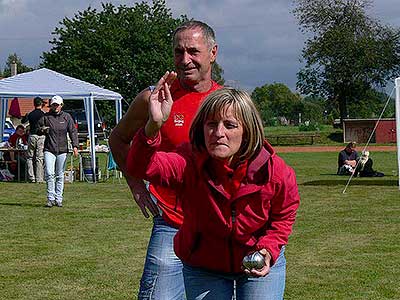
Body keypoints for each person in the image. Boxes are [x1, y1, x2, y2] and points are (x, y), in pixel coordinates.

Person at [126, 87, 300, 300]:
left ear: (248, 131)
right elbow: (140, 167)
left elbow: (284, 215)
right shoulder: (187, 161)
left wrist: (269, 248)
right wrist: (153, 127)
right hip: (204, 264)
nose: (219, 133)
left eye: (230, 125)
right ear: (201, 128)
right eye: (211, 124)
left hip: (257, 256)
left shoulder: (274, 171)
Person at [109, 20, 220, 299]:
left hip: (218, 227)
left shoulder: (226, 102)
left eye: (193, 51)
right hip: (171, 223)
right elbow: (118, 139)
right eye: (178, 52)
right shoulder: (154, 98)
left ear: (213, 53)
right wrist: (136, 186)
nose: (185, 60)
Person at [37, 95, 79, 207]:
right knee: (50, 174)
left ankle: (58, 198)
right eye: (54, 105)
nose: (55, 107)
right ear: (51, 105)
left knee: (60, 175)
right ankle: (50, 198)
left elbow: (73, 131)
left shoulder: (67, 117)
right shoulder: (46, 117)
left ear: (61, 105)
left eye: (57, 105)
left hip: (62, 150)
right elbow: (37, 129)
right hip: (49, 149)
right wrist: (42, 130)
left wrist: (75, 146)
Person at [22, 97, 46, 183]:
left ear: (34, 104)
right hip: (41, 137)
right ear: (41, 104)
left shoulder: (30, 114)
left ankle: (31, 177)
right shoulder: (43, 114)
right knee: (39, 158)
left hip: (32, 135)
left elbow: (23, 122)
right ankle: (39, 178)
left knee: (29, 157)